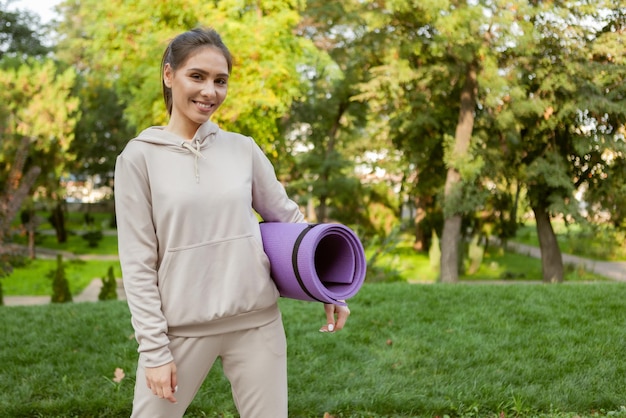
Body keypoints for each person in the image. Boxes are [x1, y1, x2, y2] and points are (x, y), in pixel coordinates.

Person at [114, 27, 350, 418]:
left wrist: (327, 288)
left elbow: (288, 220)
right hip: (181, 330)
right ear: (169, 75)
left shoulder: (243, 149)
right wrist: (154, 351)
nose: (210, 92)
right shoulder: (138, 158)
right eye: (198, 76)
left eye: (220, 81)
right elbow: (137, 262)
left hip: (257, 323)